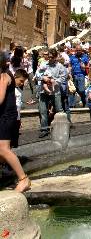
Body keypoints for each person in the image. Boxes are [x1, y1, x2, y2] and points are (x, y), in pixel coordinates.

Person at [0, 51, 31, 192]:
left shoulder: (3, 76)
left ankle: (23, 179)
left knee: (3, 149)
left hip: (6, 117)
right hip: (6, 116)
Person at [36, 49, 65, 137]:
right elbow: (37, 75)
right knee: (43, 111)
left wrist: (53, 81)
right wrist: (43, 78)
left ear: (56, 57)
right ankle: (44, 129)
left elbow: (63, 78)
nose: (50, 58)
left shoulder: (60, 66)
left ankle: (61, 128)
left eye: (52, 57)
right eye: (49, 57)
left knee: (59, 109)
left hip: (55, 90)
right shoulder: (43, 64)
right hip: (43, 90)